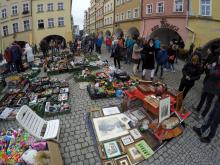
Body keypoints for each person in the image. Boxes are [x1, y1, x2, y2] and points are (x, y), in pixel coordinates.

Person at [192, 48, 219, 117]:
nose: (218, 57)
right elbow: (208, 72)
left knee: (208, 102)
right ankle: (198, 109)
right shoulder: (215, 63)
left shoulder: (216, 65)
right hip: (208, 83)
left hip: (213, 87)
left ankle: (203, 114)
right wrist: (208, 67)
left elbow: (213, 73)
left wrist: (211, 68)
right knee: (202, 97)